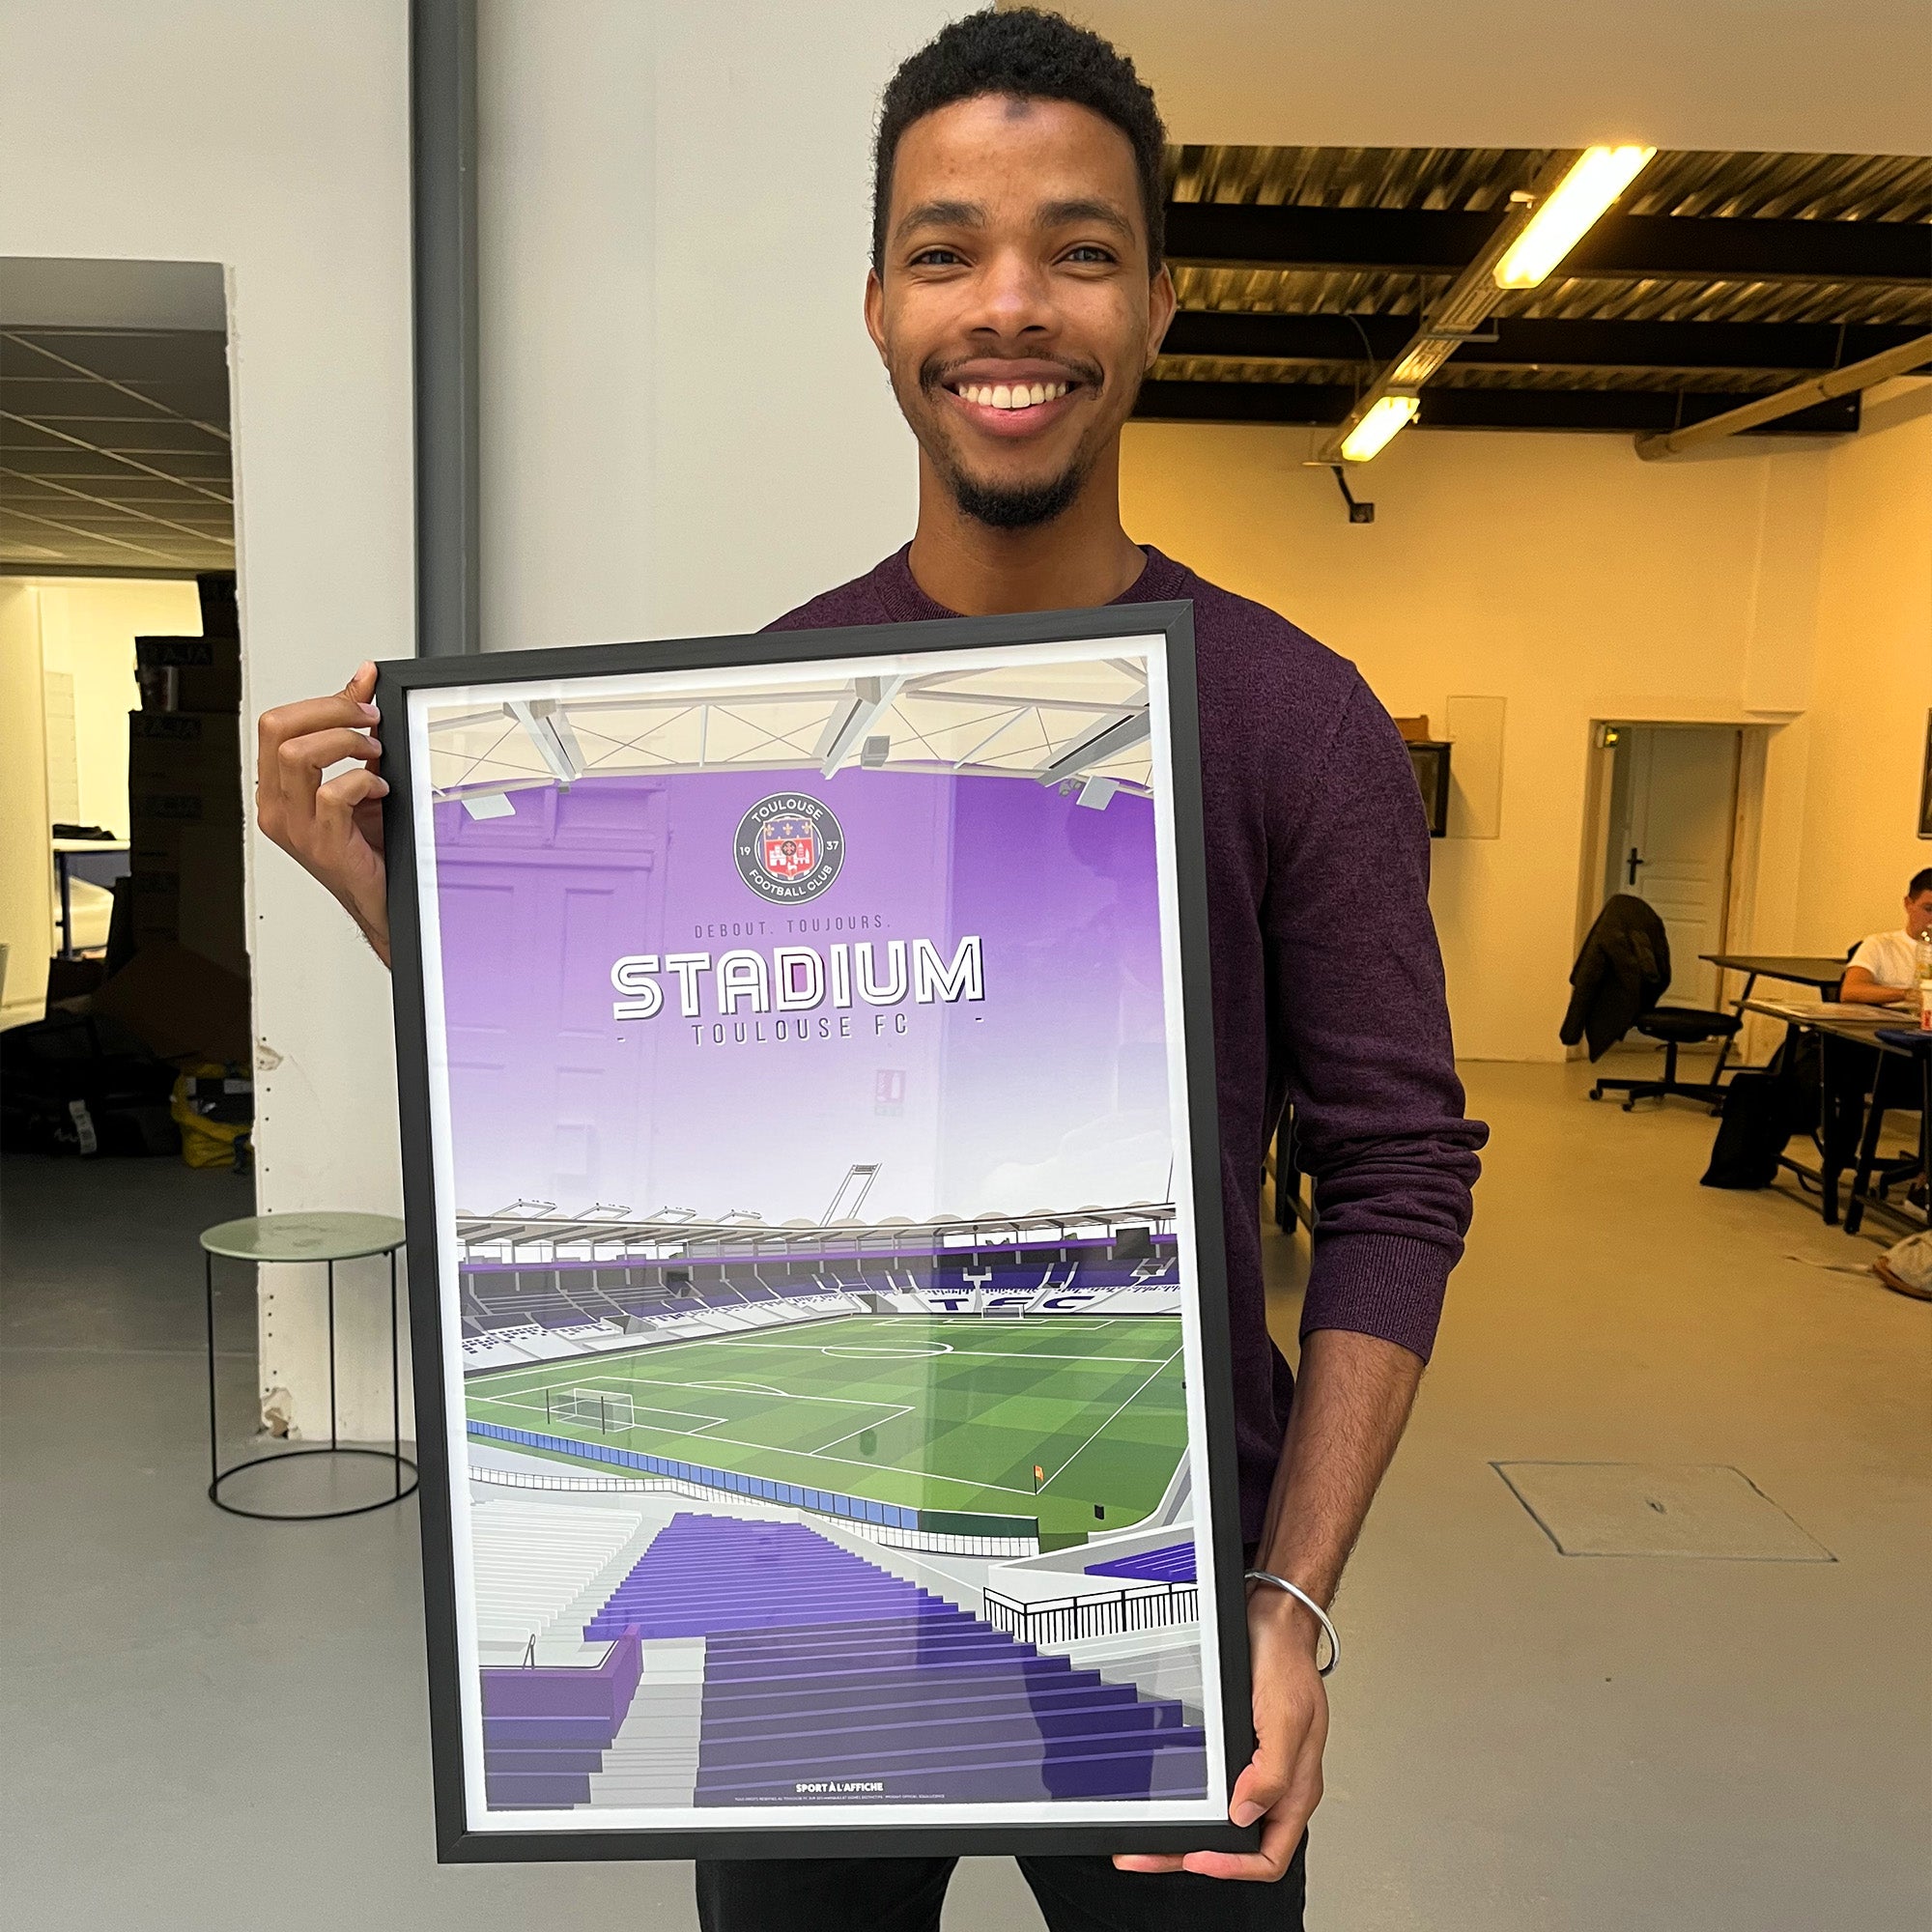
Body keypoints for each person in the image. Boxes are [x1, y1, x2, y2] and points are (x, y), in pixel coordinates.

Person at [256, 11, 1486, 1927]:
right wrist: (391, 904)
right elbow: (634, 1082)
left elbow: (1400, 1174)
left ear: (1159, 300)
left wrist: (1292, 1601)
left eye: (1078, 248)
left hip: (1176, 1629)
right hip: (796, 1618)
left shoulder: (1289, 715)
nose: (1011, 305)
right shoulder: (766, 705)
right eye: (946, 249)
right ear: (876, 304)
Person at [1838, 868, 1932, 1007]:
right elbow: (1850, 991)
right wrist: (1906, 994)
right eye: (1929, 909)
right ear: (1908, 904)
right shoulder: (1880, 945)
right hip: (1891, 1024)